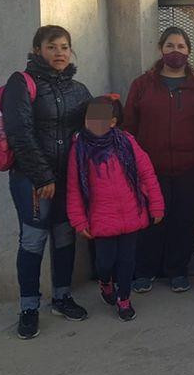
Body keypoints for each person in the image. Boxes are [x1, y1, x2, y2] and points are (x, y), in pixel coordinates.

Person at [2, 25, 92, 340]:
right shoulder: (21, 84)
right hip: (32, 180)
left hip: (67, 179)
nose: (59, 53)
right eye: (52, 47)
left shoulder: (78, 89)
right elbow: (19, 133)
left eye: (65, 47)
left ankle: (62, 297)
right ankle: (28, 308)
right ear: (38, 50)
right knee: (33, 240)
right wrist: (42, 177)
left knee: (65, 236)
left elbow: (93, 128)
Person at [124, 26, 194, 294]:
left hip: (191, 167)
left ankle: (178, 271)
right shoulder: (142, 85)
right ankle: (144, 271)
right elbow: (129, 125)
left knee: (184, 220)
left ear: (188, 51)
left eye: (181, 47)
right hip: (151, 168)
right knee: (151, 219)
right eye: (171, 46)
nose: (176, 51)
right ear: (161, 49)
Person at [66, 96, 165, 321]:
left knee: (127, 261)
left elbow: (146, 174)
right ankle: (105, 282)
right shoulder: (79, 150)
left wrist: (156, 206)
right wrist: (79, 221)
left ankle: (124, 299)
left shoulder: (127, 142)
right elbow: (74, 189)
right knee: (104, 262)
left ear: (112, 122)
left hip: (132, 213)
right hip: (101, 219)